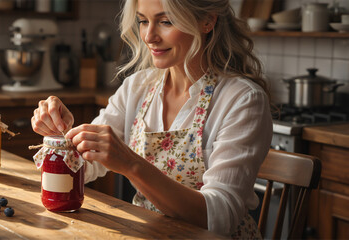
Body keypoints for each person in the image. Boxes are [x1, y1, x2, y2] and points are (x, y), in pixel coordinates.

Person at [31, 0, 272, 238]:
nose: (149, 36)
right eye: (143, 21)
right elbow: (85, 166)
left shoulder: (242, 100)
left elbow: (220, 218)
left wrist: (132, 165)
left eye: (166, 21)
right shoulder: (138, 87)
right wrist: (60, 134)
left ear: (207, 21)